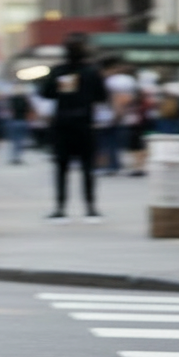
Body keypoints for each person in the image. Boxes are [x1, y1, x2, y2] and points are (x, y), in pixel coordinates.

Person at [39, 32, 107, 222]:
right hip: (84, 123)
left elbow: (46, 93)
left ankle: (60, 207)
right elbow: (101, 96)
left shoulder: (59, 71)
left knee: (62, 167)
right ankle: (90, 207)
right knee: (87, 167)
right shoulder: (92, 71)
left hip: (63, 123)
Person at [4, 83, 34, 164]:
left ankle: (14, 156)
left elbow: (8, 111)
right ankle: (18, 157)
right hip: (22, 121)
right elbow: (29, 110)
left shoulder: (11, 100)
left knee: (14, 140)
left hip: (15, 121)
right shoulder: (25, 100)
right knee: (20, 140)